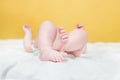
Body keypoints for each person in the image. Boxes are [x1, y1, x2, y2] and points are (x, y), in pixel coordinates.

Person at [23, 21, 87, 62]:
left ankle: (62, 45)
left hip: (65, 48)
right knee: (48, 24)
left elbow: (27, 46)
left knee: (81, 33)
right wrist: (28, 32)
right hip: (63, 49)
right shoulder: (36, 43)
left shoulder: (36, 43)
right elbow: (28, 46)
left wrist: (28, 32)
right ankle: (47, 49)